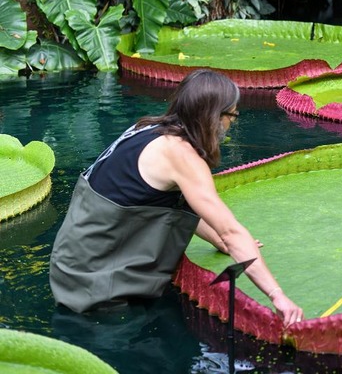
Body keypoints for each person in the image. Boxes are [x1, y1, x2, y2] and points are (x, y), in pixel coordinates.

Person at [49, 69, 303, 326]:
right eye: (232, 115)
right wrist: (277, 294)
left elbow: (177, 203)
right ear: (213, 116)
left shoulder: (148, 128)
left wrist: (218, 242)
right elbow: (232, 232)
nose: (233, 123)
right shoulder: (181, 156)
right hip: (95, 284)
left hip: (69, 264)